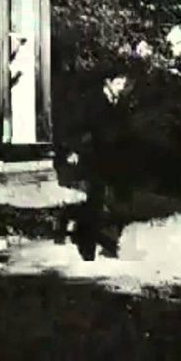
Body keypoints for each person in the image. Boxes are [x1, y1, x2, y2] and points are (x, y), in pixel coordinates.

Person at [55, 64, 136, 260]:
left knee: (119, 200)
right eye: (118, 83)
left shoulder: (120, 104)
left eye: (123, 83)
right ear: (108, 82)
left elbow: (125, 130)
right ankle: (87, 247)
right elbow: (76, 127)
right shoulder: (91, 101)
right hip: (92, 156)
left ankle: (111, 242)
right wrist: (72, 149)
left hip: (114, 157)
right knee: (95, 200)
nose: (121, 87)